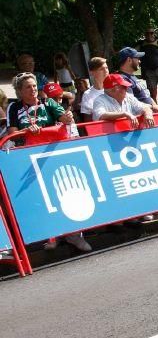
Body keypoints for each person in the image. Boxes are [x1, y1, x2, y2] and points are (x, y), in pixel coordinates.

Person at [6, 73, 88, 251]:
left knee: (64, 192)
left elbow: (64, 119)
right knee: (44, 197)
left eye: (34, 86)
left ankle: (75, 235)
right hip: (29, 158)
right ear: (20, 91)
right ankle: (53, 236)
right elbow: (12, 132)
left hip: (53, 155)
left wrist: (67, 118)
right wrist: (26, 130)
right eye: (28, 87)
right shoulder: (14, 107)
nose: (33, 89)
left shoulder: (47, 102)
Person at [136, 29, 158, 101]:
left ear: (154, 34)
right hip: (149, 71)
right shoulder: (141, 44)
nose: (149, 35)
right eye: (147, 33)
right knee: (152, 93)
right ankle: (155, 108)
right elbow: (134, 52)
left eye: (151, 33)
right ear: (145, 35)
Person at [79, 57, 110, 122]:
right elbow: (87, 120)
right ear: (92, 73)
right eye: (101, 69)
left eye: (106, 68)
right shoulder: (87, 94)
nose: (106, 71)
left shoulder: (115, 89)